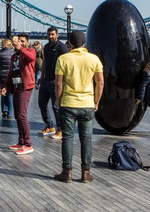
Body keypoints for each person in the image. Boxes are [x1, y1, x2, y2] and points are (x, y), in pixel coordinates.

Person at [54, 30, 104, 183]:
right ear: (84, 43)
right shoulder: (94, 59)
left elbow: (58, 83)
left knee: (68, 138)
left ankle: (67, 172)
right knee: (86, 139)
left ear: (70, 42)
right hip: (87, 104)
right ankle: (86, 173)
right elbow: (100, 82)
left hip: (68, 103)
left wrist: (59, 100)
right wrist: (96, 101)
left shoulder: (63, 59)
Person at [2, 33, 36, 155]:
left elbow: (31, 58)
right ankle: (21, 141)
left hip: (26, 87)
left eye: (22, 41)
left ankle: (28, 144)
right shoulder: (14, 56)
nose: (20, 43)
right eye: (18, 41)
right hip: (16, 86)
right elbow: (11, 73)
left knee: (22, 115)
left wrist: (20, 48)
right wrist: (6, 86)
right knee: (17, 115)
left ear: (27, 42)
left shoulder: (30, 51)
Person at [38, 27, 69, 138]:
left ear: (57, 35)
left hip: (56, 82)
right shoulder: (46, 47)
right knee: (42, 104)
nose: (50, 36)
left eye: (52, 34)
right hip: (46, 80)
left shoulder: (62, 46)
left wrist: (60, 79)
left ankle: (60, 129)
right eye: (49, 34)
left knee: (56, 107)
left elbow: (67, 63)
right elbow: (45, 62)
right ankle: (49, 125)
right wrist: (41, 76)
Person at [0, 38, 15, 119]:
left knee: (3, 93)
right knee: (10, 95)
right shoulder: (14, 53)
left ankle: (4, 110)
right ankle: (10, 113)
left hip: (1, 76)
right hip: (10, 76)